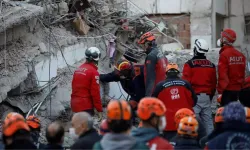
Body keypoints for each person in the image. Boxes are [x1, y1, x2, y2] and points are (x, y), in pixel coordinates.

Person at [152, 63, 197, 140]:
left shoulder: (160, 86)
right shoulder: (186, 84)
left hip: (168, 124)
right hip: (186, 123)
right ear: (178, 73)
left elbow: (154, 104)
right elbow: (194, 101)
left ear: (166, 73)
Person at [182, 39, 216, 135]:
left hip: (194, 98)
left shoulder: (189, 65)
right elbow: (214, 84)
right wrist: (210, 96)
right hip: (206, 97)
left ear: (195, 49)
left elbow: (185, 84)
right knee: (208, 122)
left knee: (193, 122)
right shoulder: (211, 65)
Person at [71, 47, 103, 119]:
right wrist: (99, 109)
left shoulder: (78, 69)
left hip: (74, 105)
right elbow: (95, 93)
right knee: (85, 129)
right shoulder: (94, 72)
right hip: (85, 106)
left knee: (76, 128)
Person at [217, 29, 246, 106]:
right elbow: (243, 74)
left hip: (228, 91)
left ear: (224, 39)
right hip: (239, 91)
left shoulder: (224, 55)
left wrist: (220, 92)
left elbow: (222, 75)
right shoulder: (240, 55)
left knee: (227, 115)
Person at [138, 32, 167, 96]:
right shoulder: (160, 52)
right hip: (163, 89)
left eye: (143, 45)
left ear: (147, 44)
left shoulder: (151, 56)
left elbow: (150, 78)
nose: (143, 48)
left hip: (155, 92)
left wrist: (148, 95)